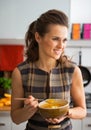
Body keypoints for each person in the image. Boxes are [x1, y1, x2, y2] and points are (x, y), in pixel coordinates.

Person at [11, 9, 86, 130]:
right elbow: (15, 118)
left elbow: (82, 111)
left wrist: (66, 112)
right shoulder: (20, 72)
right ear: (38, 37)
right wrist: (28, 110)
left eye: (64, 40)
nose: (61, 46)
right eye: (55, 39)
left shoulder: (72, 70)